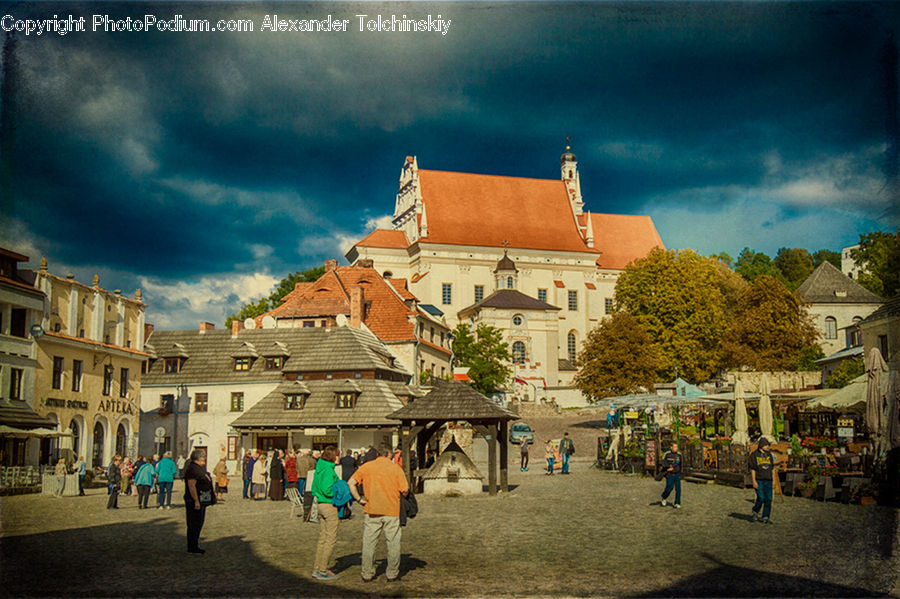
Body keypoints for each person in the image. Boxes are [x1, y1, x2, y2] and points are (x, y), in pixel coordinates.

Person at [348, 443, 410, 582]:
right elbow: (405, 490)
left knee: (369, 542)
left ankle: (367, 573)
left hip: (372, 509)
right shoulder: (396, 469)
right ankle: (392, 573)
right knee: (393, 542)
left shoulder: (366, 467)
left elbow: (351, 482)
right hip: (392, 510)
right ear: (390, 455)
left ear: (377, 454)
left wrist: (358, 499)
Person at [311, 446, 342, 580]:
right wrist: (338, 493)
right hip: (329, 505)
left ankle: (317, 567)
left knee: (323, 538)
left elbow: (314, 487)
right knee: (330, 539)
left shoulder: (320, 467)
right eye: (338, 455)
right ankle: (322, 570)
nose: (339, 457)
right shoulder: (329, 470)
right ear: (333, 456)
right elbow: (327, 489)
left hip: (320, 504)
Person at [183, 449, 214, 554]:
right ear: (198, 458)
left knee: (199, 523)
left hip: (202, 499)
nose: (205, 459)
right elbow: (191, 486)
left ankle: (194, 545)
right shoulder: (192, 469)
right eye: (203, 457)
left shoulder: (199, 468)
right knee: (194, 524)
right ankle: (192, 547)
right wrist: (196, 500)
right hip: (195, 500)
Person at [749, 437, 776, 523]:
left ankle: (766, 516)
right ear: (761, 446)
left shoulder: (769, 455)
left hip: (769, 479)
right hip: (759, 479)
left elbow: (772, 468)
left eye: (768, 445)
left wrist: (774, 480)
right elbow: (752, 469)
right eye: (766, 445)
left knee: (769, 499)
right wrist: (753, 481)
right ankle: (755, 510)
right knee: (761, 497)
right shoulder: (754, 455)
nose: (767, 447)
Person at [659, 441, 682, 509]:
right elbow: (662, 463)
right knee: (669, 487)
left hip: (677, 474)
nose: (676, 448)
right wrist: (667, 469)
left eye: (677, 447)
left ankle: (677, 502)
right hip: (670, 474)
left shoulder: (679, 455)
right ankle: (664, 496)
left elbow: (679, 463)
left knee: (678, 489)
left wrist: (679, 470)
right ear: (671, 447)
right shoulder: (667, 454)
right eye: (674, 447)